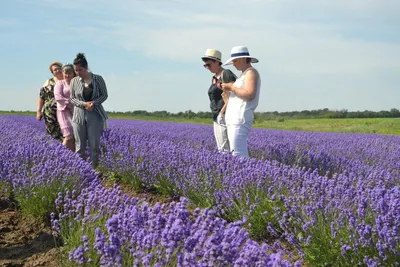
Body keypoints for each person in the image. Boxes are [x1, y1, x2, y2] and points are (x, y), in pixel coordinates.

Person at [221, 46, 261, 158]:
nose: (233, 64)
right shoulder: (243, 75)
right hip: (234, 119)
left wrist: (232, 87)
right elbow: (237, 98)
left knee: (238, 156)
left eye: (234, 61)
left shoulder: (251, 73)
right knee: (235, 154)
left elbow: (250, 94)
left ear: (243, 59)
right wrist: (227, 90)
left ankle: (248, 175)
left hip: (240, 119)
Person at [70, 53, 108, 168]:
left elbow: (104, 95)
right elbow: (72, 98)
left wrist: (93, 103)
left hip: (95, 114)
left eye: (80, 70)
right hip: (78, 115)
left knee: (94, 145)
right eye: (76, 70)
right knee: (79, 146)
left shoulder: (98, 79)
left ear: (86, 67)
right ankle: (80, 170)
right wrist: (84, 104)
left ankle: (94, 170)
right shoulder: (74, 81)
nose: (78, 73)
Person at [202, 48, 236, 153]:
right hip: (216, 115)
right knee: (221, 148)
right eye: (205, 65)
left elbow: (233, 96)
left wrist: (222, 113)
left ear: (217, 62)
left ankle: (230, 168)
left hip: (225, 115)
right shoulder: (214, 78)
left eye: (209, 65)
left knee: (225, 148)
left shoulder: (226, 73)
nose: (207, 68)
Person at [36, 61, 64, 141]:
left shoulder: (68, 80)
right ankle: (53, 149)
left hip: (65, 111)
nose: (58, 71)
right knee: (52, 132)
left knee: (65, 132)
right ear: (52, 73)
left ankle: (66, 151)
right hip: (50, 113)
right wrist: (39, 111)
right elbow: (41, 97)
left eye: (59, 69)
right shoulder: (48, 82)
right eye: (55, 70)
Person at [54, 64, 76, 151]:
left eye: (69, 73)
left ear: (73, 74)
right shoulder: (60, 84)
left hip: (75, 112)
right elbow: (58, 97)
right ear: (62, 74)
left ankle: (73, 157)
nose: (67, 75)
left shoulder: (76, 83)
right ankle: (60, 155)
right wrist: (71, 103)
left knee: (74, 136)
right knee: (68, 136)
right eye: (65, 73)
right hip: (63, 112)